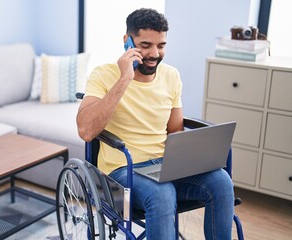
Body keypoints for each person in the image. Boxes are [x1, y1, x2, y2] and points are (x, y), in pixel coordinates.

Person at [77, 8, 234, 240]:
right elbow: (86, 130)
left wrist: (190, 159)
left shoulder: (171, 76)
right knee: (162, 194)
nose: (154, 53)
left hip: (164, 166)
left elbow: (175, 131)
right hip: (123, 170)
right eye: (145, 45)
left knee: (221, 181)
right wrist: (125, 79)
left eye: (161, 46)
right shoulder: (103, 75)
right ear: (127, 41)